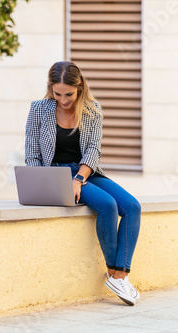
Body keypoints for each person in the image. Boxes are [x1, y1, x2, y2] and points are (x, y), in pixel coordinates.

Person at [24, 61, 142, 306]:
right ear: (50, 89)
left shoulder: (93, 109)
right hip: (56, 174)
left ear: (79, 87)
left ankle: (120, 275)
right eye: (57, 94)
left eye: (69, 94)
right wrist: (42, 184)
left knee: (132, 207)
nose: (63, 100)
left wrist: (79, 179)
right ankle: (113, 272)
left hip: (86, 171)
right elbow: (32, 153)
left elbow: (93, 150)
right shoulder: (39, 109)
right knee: (107, 205)